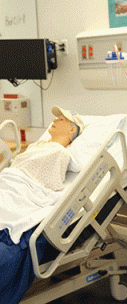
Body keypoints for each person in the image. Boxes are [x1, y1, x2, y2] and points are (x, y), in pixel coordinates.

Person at [0, 106, 84, 304]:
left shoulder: (60, 153)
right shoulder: (37, 147)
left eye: (62, 119)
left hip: (20, 191)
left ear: (72, 129)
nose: (55, 120)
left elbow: (49, 186)